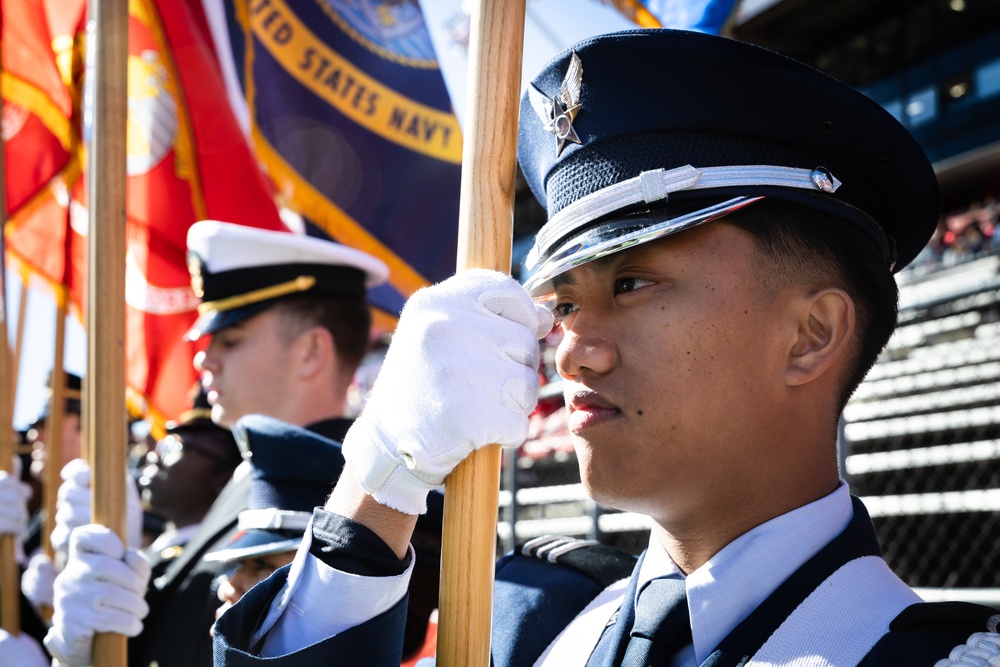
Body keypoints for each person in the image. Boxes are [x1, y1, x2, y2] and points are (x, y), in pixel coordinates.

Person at [203, 28, 1000, 666]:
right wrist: (380, 480)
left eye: (630, 285)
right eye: (564, 301)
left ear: (811, 335)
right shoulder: (520, 620)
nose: (574, 352)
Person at [139, 386, 242, 580]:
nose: (155, 457)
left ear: (224, 476)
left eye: (177, 447)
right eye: (165, 445)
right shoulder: (159, 550)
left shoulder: (217, 570)